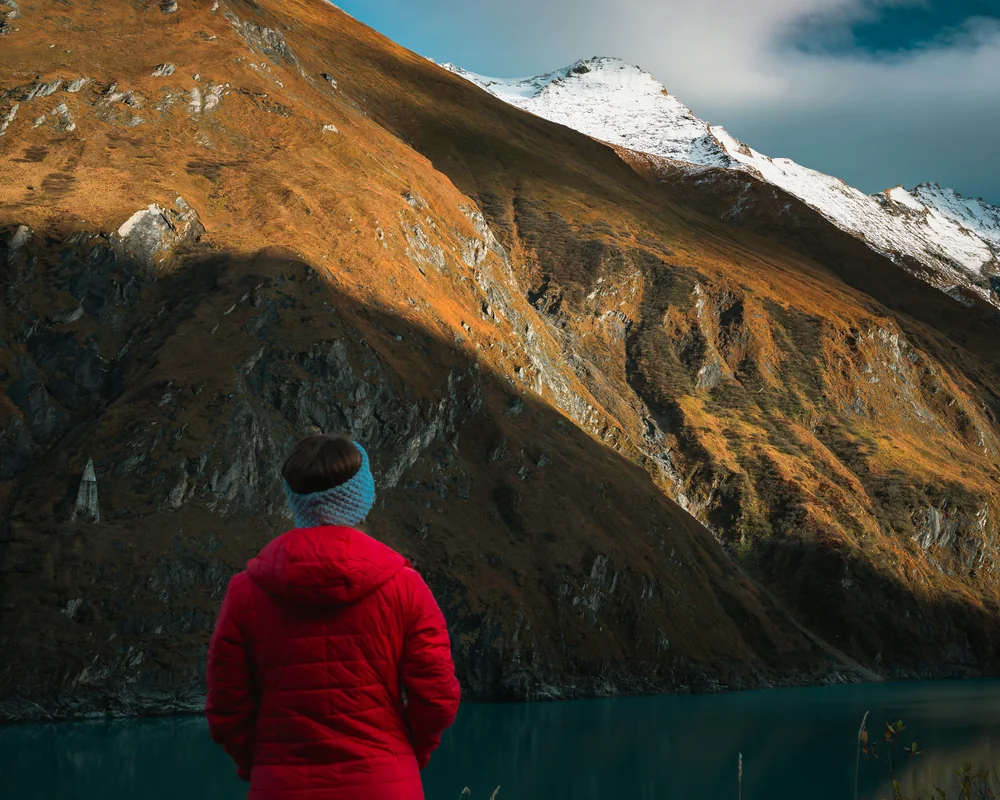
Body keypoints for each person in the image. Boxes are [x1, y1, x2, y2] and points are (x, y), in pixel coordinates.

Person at [206, 434, 461, 799]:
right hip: (385, 784)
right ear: (362, 495)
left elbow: (226, 706)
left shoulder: (246, 591)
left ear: (296, 501)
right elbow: (437, 698)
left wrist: (259, 764)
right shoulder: (405, 586)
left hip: (280, 786)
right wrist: (406, 754)